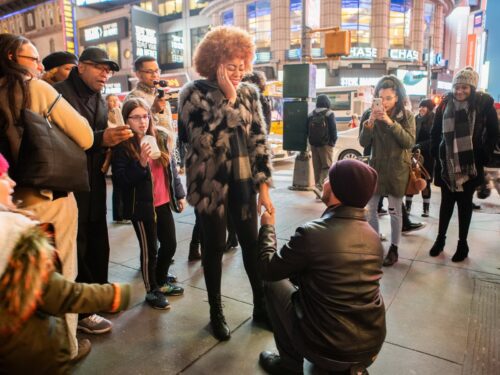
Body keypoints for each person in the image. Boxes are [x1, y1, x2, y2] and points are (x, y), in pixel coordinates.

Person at [0, 33, 94, 360]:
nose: (40, 66)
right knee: (59, 273)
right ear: (12, 57)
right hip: (46, 200)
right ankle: (64, 348)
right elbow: (84, 136)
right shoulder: (36, 89)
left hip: (7, 205)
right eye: (33, 59)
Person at [178, 25, 273, 341]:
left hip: (244, 181)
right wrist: (228, 102)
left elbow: (259, 141)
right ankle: (215, 311)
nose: (238, 72)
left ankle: (261, 306)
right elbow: (201, 143)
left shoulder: (249, 92)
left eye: (242, 66)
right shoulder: (193, 93)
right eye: (231, 66)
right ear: (213, 61)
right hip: (209, 187)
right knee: (214, 247)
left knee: (250, 244)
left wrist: (264, 189)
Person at [0, 152, 130, 374]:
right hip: (34, 356)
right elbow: (59, 294)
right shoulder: (17, 240)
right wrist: (113, 294)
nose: (12, 182)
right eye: (3, 177)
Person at [257, 159, 386, 374]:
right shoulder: (374, 238)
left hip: (326, 349)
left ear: (337, 191)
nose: (324, 181)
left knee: (274, 283)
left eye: (329, 179)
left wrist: (267, 228)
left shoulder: (312, 233)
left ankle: (289, 365)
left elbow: (268, 268)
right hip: (369, 348)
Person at [54, 47, 133, 334]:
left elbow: (99, 139)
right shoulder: (58, 93)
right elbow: (56, 139)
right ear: (81, 67)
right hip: (70, 183)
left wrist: (113, 144)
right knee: (78, 243)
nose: (105, 74)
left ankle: (98, 296)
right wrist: (103, 138)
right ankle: (82, 311)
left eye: (109, 70)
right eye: (100, 68)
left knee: (99, 239)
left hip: (96, 181)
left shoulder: (99, 98)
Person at [112, 98, 186, 309]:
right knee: (149, 251)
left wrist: (179, 194)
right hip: (141, 208)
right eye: (135, 117)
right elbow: (121, 179)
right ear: (127, 120)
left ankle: (161, 280)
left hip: (162, 202)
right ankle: (151, 289)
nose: (142, 122)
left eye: (144, 116)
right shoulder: (123, 146)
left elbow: (171, 170)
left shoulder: (159, 138)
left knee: (170, 244)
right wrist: (141, 163)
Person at [429, 67, 499, 262]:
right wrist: (436, 152)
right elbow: (435, 131)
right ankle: (440, 240)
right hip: (447, 164)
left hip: (470, 164)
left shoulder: (482, 105)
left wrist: (483, 155)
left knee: (464, 205)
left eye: (465, 87)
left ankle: (462, 244)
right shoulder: (445, 104)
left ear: (472, 88)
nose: (459, 91)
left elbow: (494, 132)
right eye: (457, 87)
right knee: (446, 204)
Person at [359, 75, 416, 267]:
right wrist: (370, 123)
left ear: (397, 97)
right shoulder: (369, 113)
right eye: (380, 98)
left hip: (397, 169)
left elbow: (409, 142)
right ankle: (375, 244)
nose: (383, 103)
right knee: (370, 209)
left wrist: (391, 123)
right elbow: (363, 143)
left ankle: (394, 248)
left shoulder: (406, 116)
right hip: (376, 168)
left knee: (394, 211)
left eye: (388, 98)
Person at [127, 55, 174, 136]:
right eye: (149, 72)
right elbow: (134, 130)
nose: (155, 75)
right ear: (138, 74)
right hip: (148, 147)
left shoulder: (161, 94)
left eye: (157, 71)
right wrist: (153, 111)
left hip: (168, 147)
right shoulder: (133, 97)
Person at [405, 99, 435, 217]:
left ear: (430, 108)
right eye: (421, 106)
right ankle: (408, 207)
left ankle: (426, 209)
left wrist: (419, 145)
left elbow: (434, 139)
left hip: (427, 156)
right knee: (411, 180)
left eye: (425, 107)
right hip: (413, 155)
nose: (422, 109)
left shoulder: (433, 120)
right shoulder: (415, 119)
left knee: (426, 182)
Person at [307, 94, 337, 199]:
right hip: (325, 145)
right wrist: (332, 142)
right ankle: (319, 187)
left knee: (317, 168)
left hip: (314, 144)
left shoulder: (311, 114)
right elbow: (333, 130)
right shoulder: (329, 113)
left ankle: (318, 192)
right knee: (327, 167)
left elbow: (307, 130)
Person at [105, 94, 129, 224]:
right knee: (118, 184)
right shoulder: (105, 117)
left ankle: (124, 213)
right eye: (111, 101)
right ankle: (119, 215)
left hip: (124, 151)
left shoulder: (121, 114)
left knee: (124, 183)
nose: (114, 102)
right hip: (114, 152)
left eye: (116, 100)